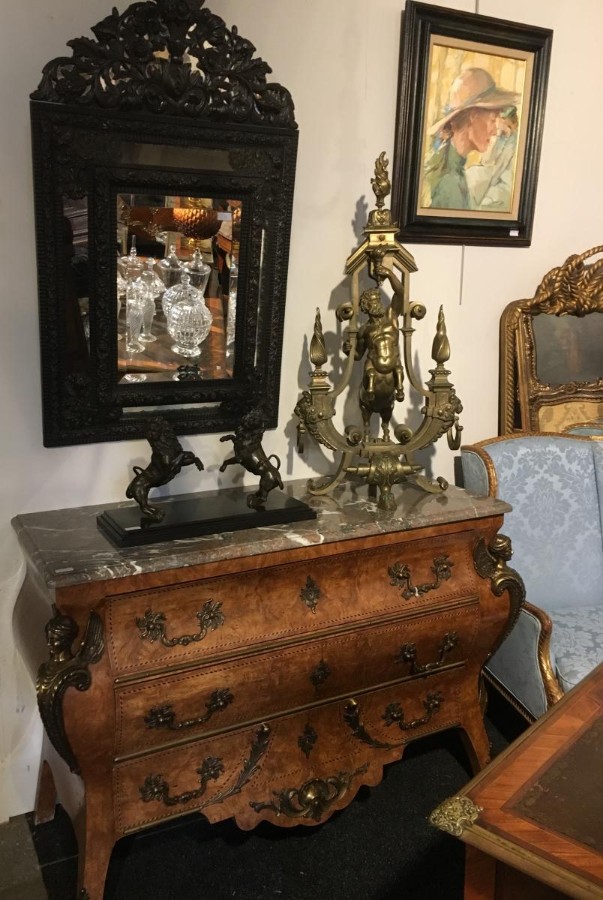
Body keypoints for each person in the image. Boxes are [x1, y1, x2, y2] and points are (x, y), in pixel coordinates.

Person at [423, 67, 519, 211]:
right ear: (473, 116)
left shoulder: (451, 168)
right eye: (493, 120)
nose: (494, 131)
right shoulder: (449, 182)